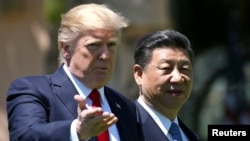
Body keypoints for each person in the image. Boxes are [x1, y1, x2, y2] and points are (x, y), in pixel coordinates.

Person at [6, 3, 143, 141]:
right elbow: (24, 136)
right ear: (66, 49)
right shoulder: (33, 90)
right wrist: (76, 131)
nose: (106, 55)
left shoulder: (126, 106)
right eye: (94, 45)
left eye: (111, 45)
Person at [133, 29, 200, 141]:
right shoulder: (122, 128)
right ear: (139, 74)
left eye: (184, 69)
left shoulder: (190, 137)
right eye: (166, 68)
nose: (177, 78)